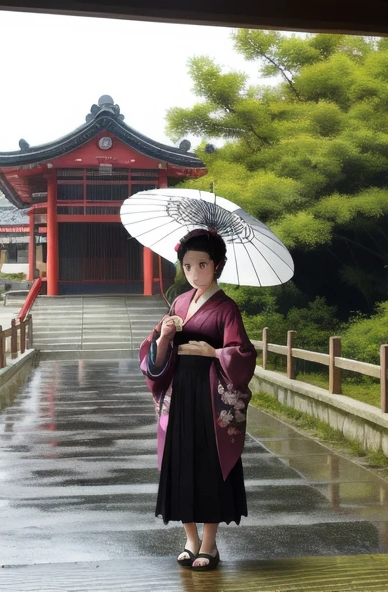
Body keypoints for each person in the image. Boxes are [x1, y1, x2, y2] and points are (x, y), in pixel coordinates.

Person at [138, 229, 257, 571]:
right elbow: (156, 350)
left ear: (217, 266)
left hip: (210, 393)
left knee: (209, 463)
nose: (194, 272)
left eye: (202, 264)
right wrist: (164, 336)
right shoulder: (178, 303)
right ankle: (189, 540)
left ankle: (209, 544)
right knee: (180, 461)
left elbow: (243, 354)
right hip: (179, 391)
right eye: (187, 265)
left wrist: (213, 351)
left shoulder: (226, 308)